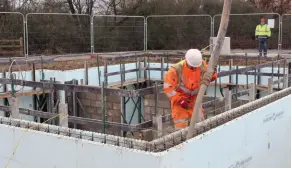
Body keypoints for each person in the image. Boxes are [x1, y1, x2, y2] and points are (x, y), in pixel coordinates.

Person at [163, 49, 218, 130]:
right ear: (186, 61)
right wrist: (180, 99)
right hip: (180, 104)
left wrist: (213, 72)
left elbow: (210, 77)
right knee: (180, 129)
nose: (194, 68)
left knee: (200, 127)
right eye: (192, 66)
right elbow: (168, 88)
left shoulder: (201, 65)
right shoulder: (175, 70)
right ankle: (182, 141)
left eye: (195, 67)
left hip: (195, 102)